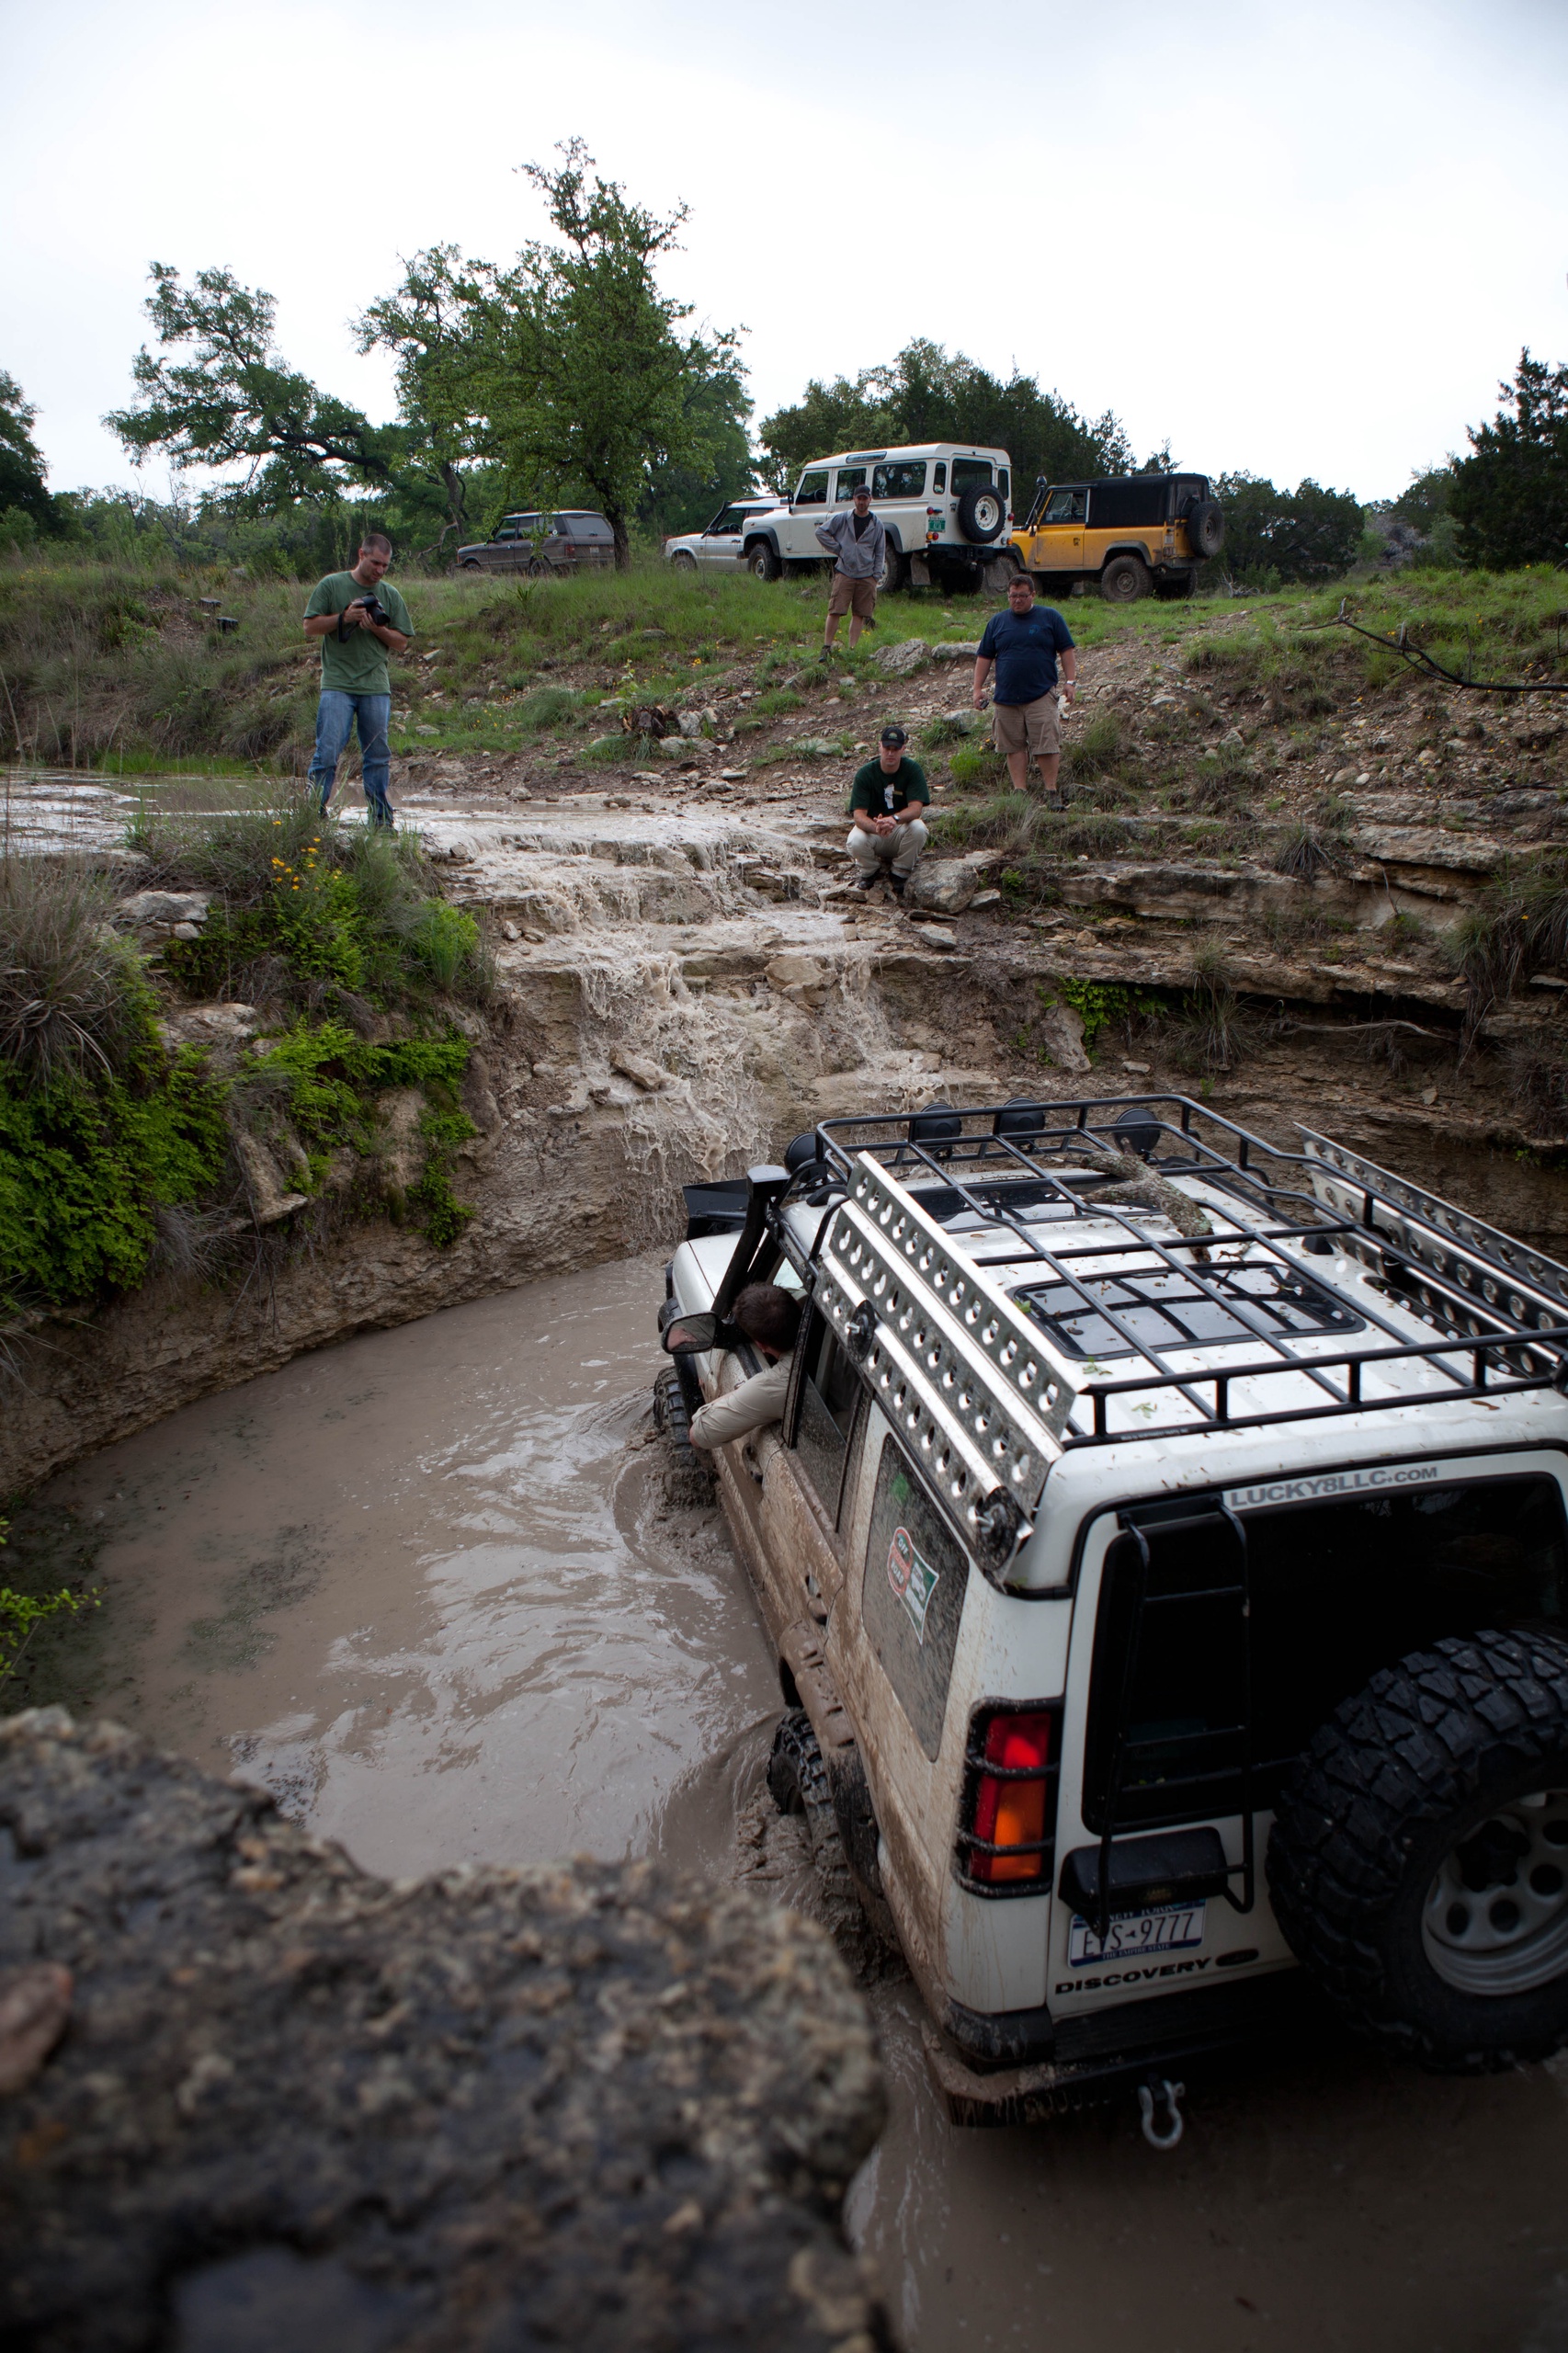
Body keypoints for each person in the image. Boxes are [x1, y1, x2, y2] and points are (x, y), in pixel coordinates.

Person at [302, 532, 414, 827]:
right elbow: (309, 626)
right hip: (337, 684)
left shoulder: (390, 594)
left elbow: (402, 642)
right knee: (327, 752)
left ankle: (380, 821)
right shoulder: (331, 585)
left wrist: (376, 629)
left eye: (385, 565)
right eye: (375, 563)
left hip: (375, 686)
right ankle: (311, 816)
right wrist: (344, 618)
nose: (380, 570)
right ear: (361, 554)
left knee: (377, 756)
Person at [973, 571, 1077, 806]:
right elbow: (984, 656)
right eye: (1013, 596)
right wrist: (977, 688)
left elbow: (1066, 650)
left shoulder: (1050, 617)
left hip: (1041, 694)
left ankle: (1051, 792)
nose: (1017, 600)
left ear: (1033, 595)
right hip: (1006, 697)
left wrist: (1070, 682)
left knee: (1047, 745)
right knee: (1013, 746)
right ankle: (1020, 792)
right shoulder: (997, 622)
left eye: (1022, 595)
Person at [687, 1283, 801, 1450]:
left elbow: (698, 1435)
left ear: (761, 1345)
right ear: (797, 1305)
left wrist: (744, 1391)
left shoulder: (773, 1386)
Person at [846, 725, 929, 899]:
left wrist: (894, 819)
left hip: (899, 828)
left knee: (919, 828)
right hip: (874, 830)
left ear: (903, 749)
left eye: (895, 749)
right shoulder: (865, 773)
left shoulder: (912, 770)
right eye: (887, 748)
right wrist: (876, 826)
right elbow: (858, 815)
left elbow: (916, 808)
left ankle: (900, 871)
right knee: (854, 839)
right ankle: (870, 870)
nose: (890, 753)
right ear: (880, 746)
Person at [815, 482, 886, 660]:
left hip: (867, 575)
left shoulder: (877, 524)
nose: (862, 502)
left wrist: (876, 576)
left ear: (870, 500)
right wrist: (838, 549)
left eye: (865, 499)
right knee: (835, 610)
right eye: (859, 498)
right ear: (854, 499)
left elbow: (880, 551)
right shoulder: (843, 518)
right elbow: (821, 532)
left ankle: (852, 650)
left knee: (859, 614)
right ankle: (826, 647)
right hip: (845, 572)